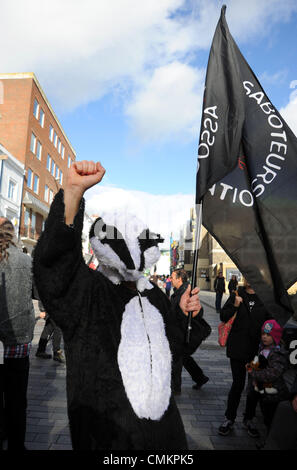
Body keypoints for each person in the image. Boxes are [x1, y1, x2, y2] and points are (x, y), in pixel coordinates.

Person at [33, 160, 205, 450]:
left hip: (165, 438)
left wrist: (186, 314)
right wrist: (72, 192)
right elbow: (55, 268)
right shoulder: (88, 291)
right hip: (109, 438)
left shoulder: (154, 294)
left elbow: (175, 351)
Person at [218, 278, 270, 437]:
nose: (249, 279)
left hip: (256, 351)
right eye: (246, 275)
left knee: (254, 385)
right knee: (238, 384)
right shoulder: (236, 295)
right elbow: (223, 316)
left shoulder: (265, 299)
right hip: (238, 350)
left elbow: (270, 322)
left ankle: (249, 418)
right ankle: (229, 418)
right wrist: (234, 306)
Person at [0, 218, 35, 450]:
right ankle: (16, 446)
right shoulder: (26, 260)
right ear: (13, 235)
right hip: (18, 341)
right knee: (16, 400)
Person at [245, 319, 289, 438]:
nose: (264, 337)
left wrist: (253, 372)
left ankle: (271, 442)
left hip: (273, 394)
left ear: (275, 336)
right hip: (262, 390)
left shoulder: (277, 353)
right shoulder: (262, 348)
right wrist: (252, 365)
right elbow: (258, 361)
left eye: (268, 335)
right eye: (263, 334)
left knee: (271, 420)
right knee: (264, 415)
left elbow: (272, 373)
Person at [170, 269, 209, 394]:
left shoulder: (186, 291)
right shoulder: (178, 291)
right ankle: (200, 378)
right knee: (183, 357)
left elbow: (196, 311)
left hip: (186, 333)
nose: (171, 280)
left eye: (173, 277)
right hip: (179, 331)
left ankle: (175, 389)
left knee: (176, 359)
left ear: (179, 279)